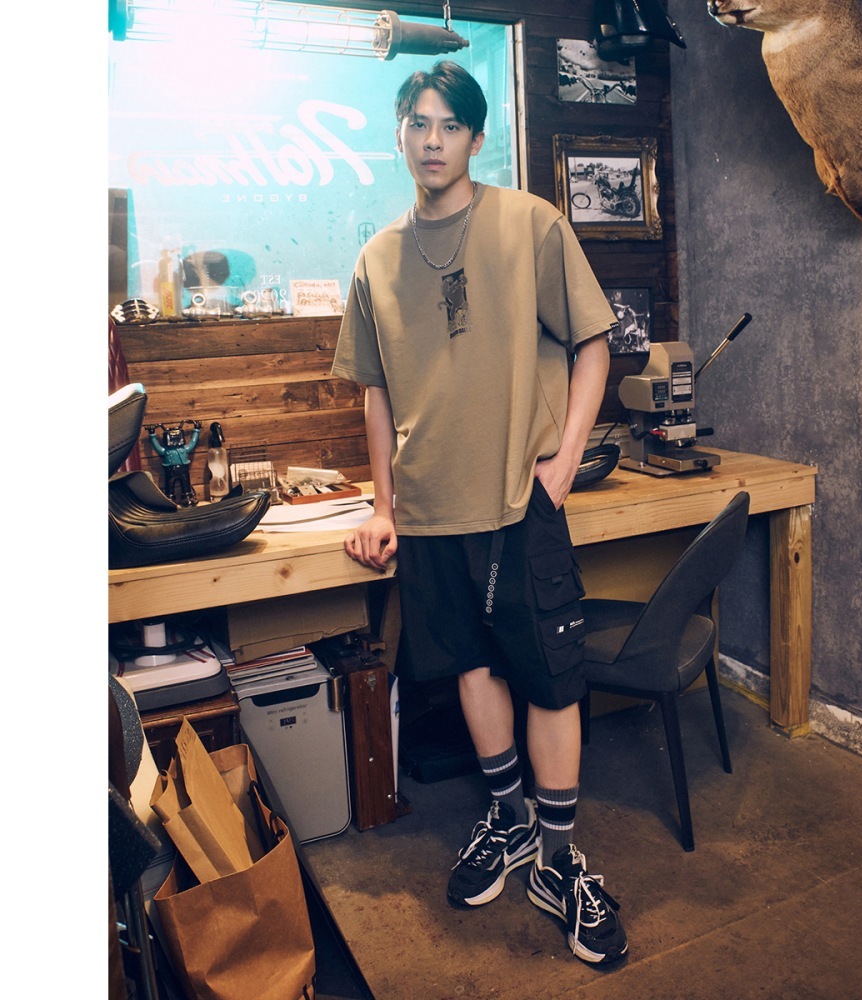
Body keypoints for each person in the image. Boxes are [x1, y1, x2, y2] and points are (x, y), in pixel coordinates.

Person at [331, 60, 627, 967]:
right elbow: (376, 394)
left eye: (449, 124)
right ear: (399, 134)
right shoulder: (376, 260)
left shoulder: (529, 224)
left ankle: (560, 861)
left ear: (475, 137)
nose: (432, 139)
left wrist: (563, 463)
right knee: (470, 668)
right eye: (417, 123)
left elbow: (594, 343)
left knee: (550, 680)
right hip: (429, 513)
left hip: (516, 501)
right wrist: (385, 505)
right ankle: (508, 820)